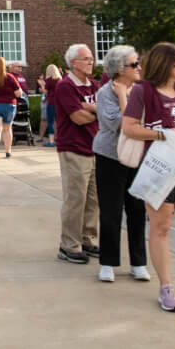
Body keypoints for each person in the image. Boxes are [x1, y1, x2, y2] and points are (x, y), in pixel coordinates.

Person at [122, 43, 175, 312]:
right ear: (165, 64)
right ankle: (166, 286)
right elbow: (129, 127)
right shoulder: (142, 91)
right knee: (160, 226)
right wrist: (162, 134)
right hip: (158, 165)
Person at [93, 45, 149, 283]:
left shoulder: (142, 90)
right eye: (134, 64)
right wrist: (123, 96)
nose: (138, 68)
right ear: (119, 69)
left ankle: (138, 262)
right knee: (111, 211)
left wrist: (126, 96)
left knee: (137, 210)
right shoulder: (106, 92)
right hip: (110, 156)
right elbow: (121, 123)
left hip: (137, 156)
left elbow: (145, 121)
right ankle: (107, 262)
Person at [52, 45, 101, 264]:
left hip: (95, 147)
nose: (91, 62)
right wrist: (96, 112)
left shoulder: (95, 86)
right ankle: (69, 244)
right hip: (73, 148)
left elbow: (109, 112)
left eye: (91, 58)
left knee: (93, 199)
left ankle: (88, 239)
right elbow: (78, 118)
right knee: (76, 198)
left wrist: (91, 109)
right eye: (86, 59)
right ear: (73, 63)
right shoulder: (66, 86)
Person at [38, 63, 63, 146]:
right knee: (59, 122)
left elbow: (46, 92)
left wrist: (42, 87)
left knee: (50, 122)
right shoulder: (60, 80)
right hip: (59, 104)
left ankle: (51, 141)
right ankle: (60, 139)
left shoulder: (49, 80)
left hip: (51, 102)